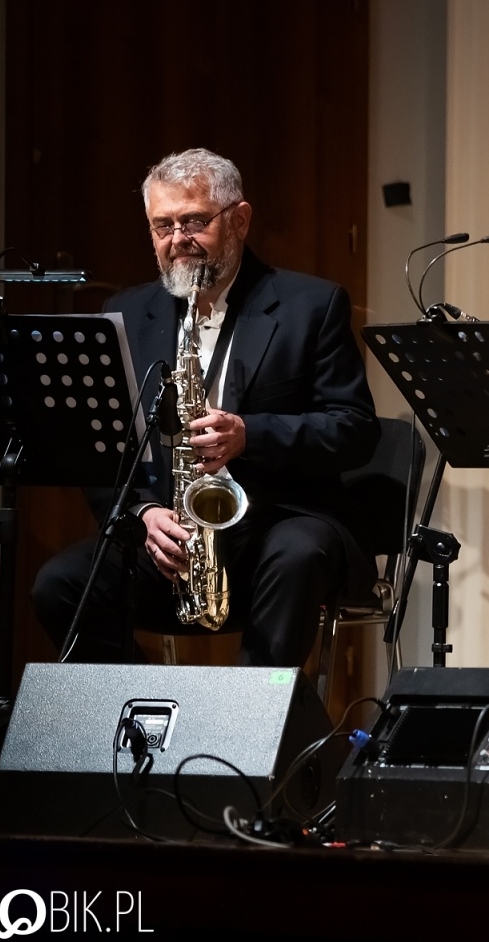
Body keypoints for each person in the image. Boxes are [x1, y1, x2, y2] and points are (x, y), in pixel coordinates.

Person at [32, 148, 380, 667]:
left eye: (194, 221)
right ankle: (146, 724)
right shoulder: (124, 311)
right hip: (171, 535)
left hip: (279, 524)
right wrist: (144, 513)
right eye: (162, 226)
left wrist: (250, 434)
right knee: (59, 585)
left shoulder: (312, 304)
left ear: (239, 220)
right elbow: (103, 443)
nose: (177, 241)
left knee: (297, 554)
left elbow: (354, 429)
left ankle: (245, 735)